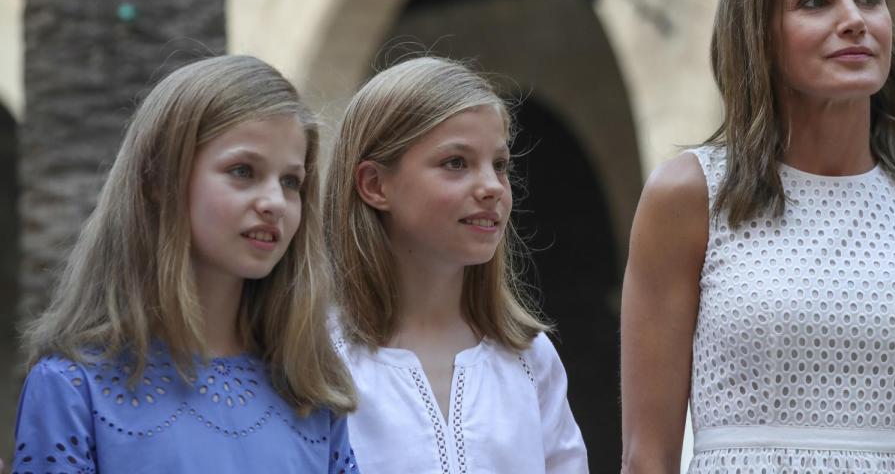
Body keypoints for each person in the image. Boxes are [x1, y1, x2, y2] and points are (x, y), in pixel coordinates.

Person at [620, 0, 895, 474]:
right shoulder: (690, 195)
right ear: (760, 34)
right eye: (815, 1)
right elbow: (648, 456)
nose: (854, 19)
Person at [12, 55, 359, 473]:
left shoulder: (311, 391)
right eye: (243, 171)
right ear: (158, 181)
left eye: (291, 182)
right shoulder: (72, 388)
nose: (274, 203)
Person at [324, 56, 588, 473]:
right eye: (456, 163)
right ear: (375, 185)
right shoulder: (318, 359)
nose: (491, 187)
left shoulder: (529, 358)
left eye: (499, 165)